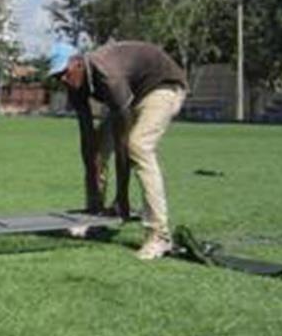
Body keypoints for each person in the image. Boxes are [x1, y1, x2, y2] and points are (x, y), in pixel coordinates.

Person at [49, 41, 188, 260]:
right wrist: (93, 172)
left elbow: (121, 141)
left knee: (138, 146)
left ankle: (159, 236)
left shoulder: (108, 75)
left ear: (78, 64)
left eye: (65, 73)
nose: (63, 80)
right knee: (97, 148)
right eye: (57, 77)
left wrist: (121, 196)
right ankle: (95, 216)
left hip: (162, 86)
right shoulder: (74, 83)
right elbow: (87, 138)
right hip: (133, 92)